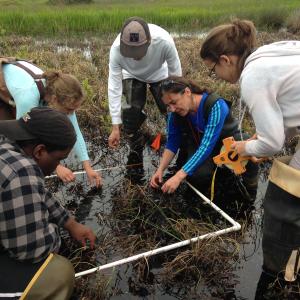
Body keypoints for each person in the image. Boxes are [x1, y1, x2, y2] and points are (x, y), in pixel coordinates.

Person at [200, 19, 300, 286]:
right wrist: (261, 140)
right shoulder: (269, 54)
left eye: (213, 71)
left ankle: (278, 275)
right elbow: (292, 110)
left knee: (284, 201)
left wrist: (244, 147)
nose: (216, 78)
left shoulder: (253, 76)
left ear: (225, 60)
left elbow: (273, 143)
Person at [0, 107, 96, 300]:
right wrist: (53, 231)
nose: (55, 167)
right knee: (58, 274)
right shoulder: (21, 170)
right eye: (59, 159)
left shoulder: (7, 144)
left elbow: (35, 193)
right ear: (40, 151)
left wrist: (70, 223)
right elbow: (31, 249)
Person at [0, 59, 101, 187]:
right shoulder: (28, 96)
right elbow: (21, 140)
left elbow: (75, 131)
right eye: (69, 110)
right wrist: (56, 167)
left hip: (18, 86)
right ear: (54, 99)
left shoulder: (61, 96)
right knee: (6, 139)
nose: (71, 114)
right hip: (5, 84)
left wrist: (88, 167)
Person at [150, 76, 258, 195]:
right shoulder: (174, 114)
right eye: (168, 105)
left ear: (187, 92)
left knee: (249, 151)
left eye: (174, 102)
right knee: (197, 176)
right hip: (202, 143)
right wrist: (160, 169)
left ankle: (251, 187)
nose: (172, 109)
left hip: (226, 142)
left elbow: (206, 146)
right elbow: (172, 142)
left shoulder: (216, 106)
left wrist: (178, 176)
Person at [107, 17, 182, 171]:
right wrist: (115, 126)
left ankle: (178, 137)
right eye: (130, 52)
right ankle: (136, 145)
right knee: (129, 117)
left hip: (159, 73)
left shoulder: (164, 41)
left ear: (149, 41)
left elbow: (177, 76)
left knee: (171, 110)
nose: (135, 56)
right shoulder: (116, 50)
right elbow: (114, 86)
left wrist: (176, 101)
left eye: (139, 51)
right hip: (131, 74)